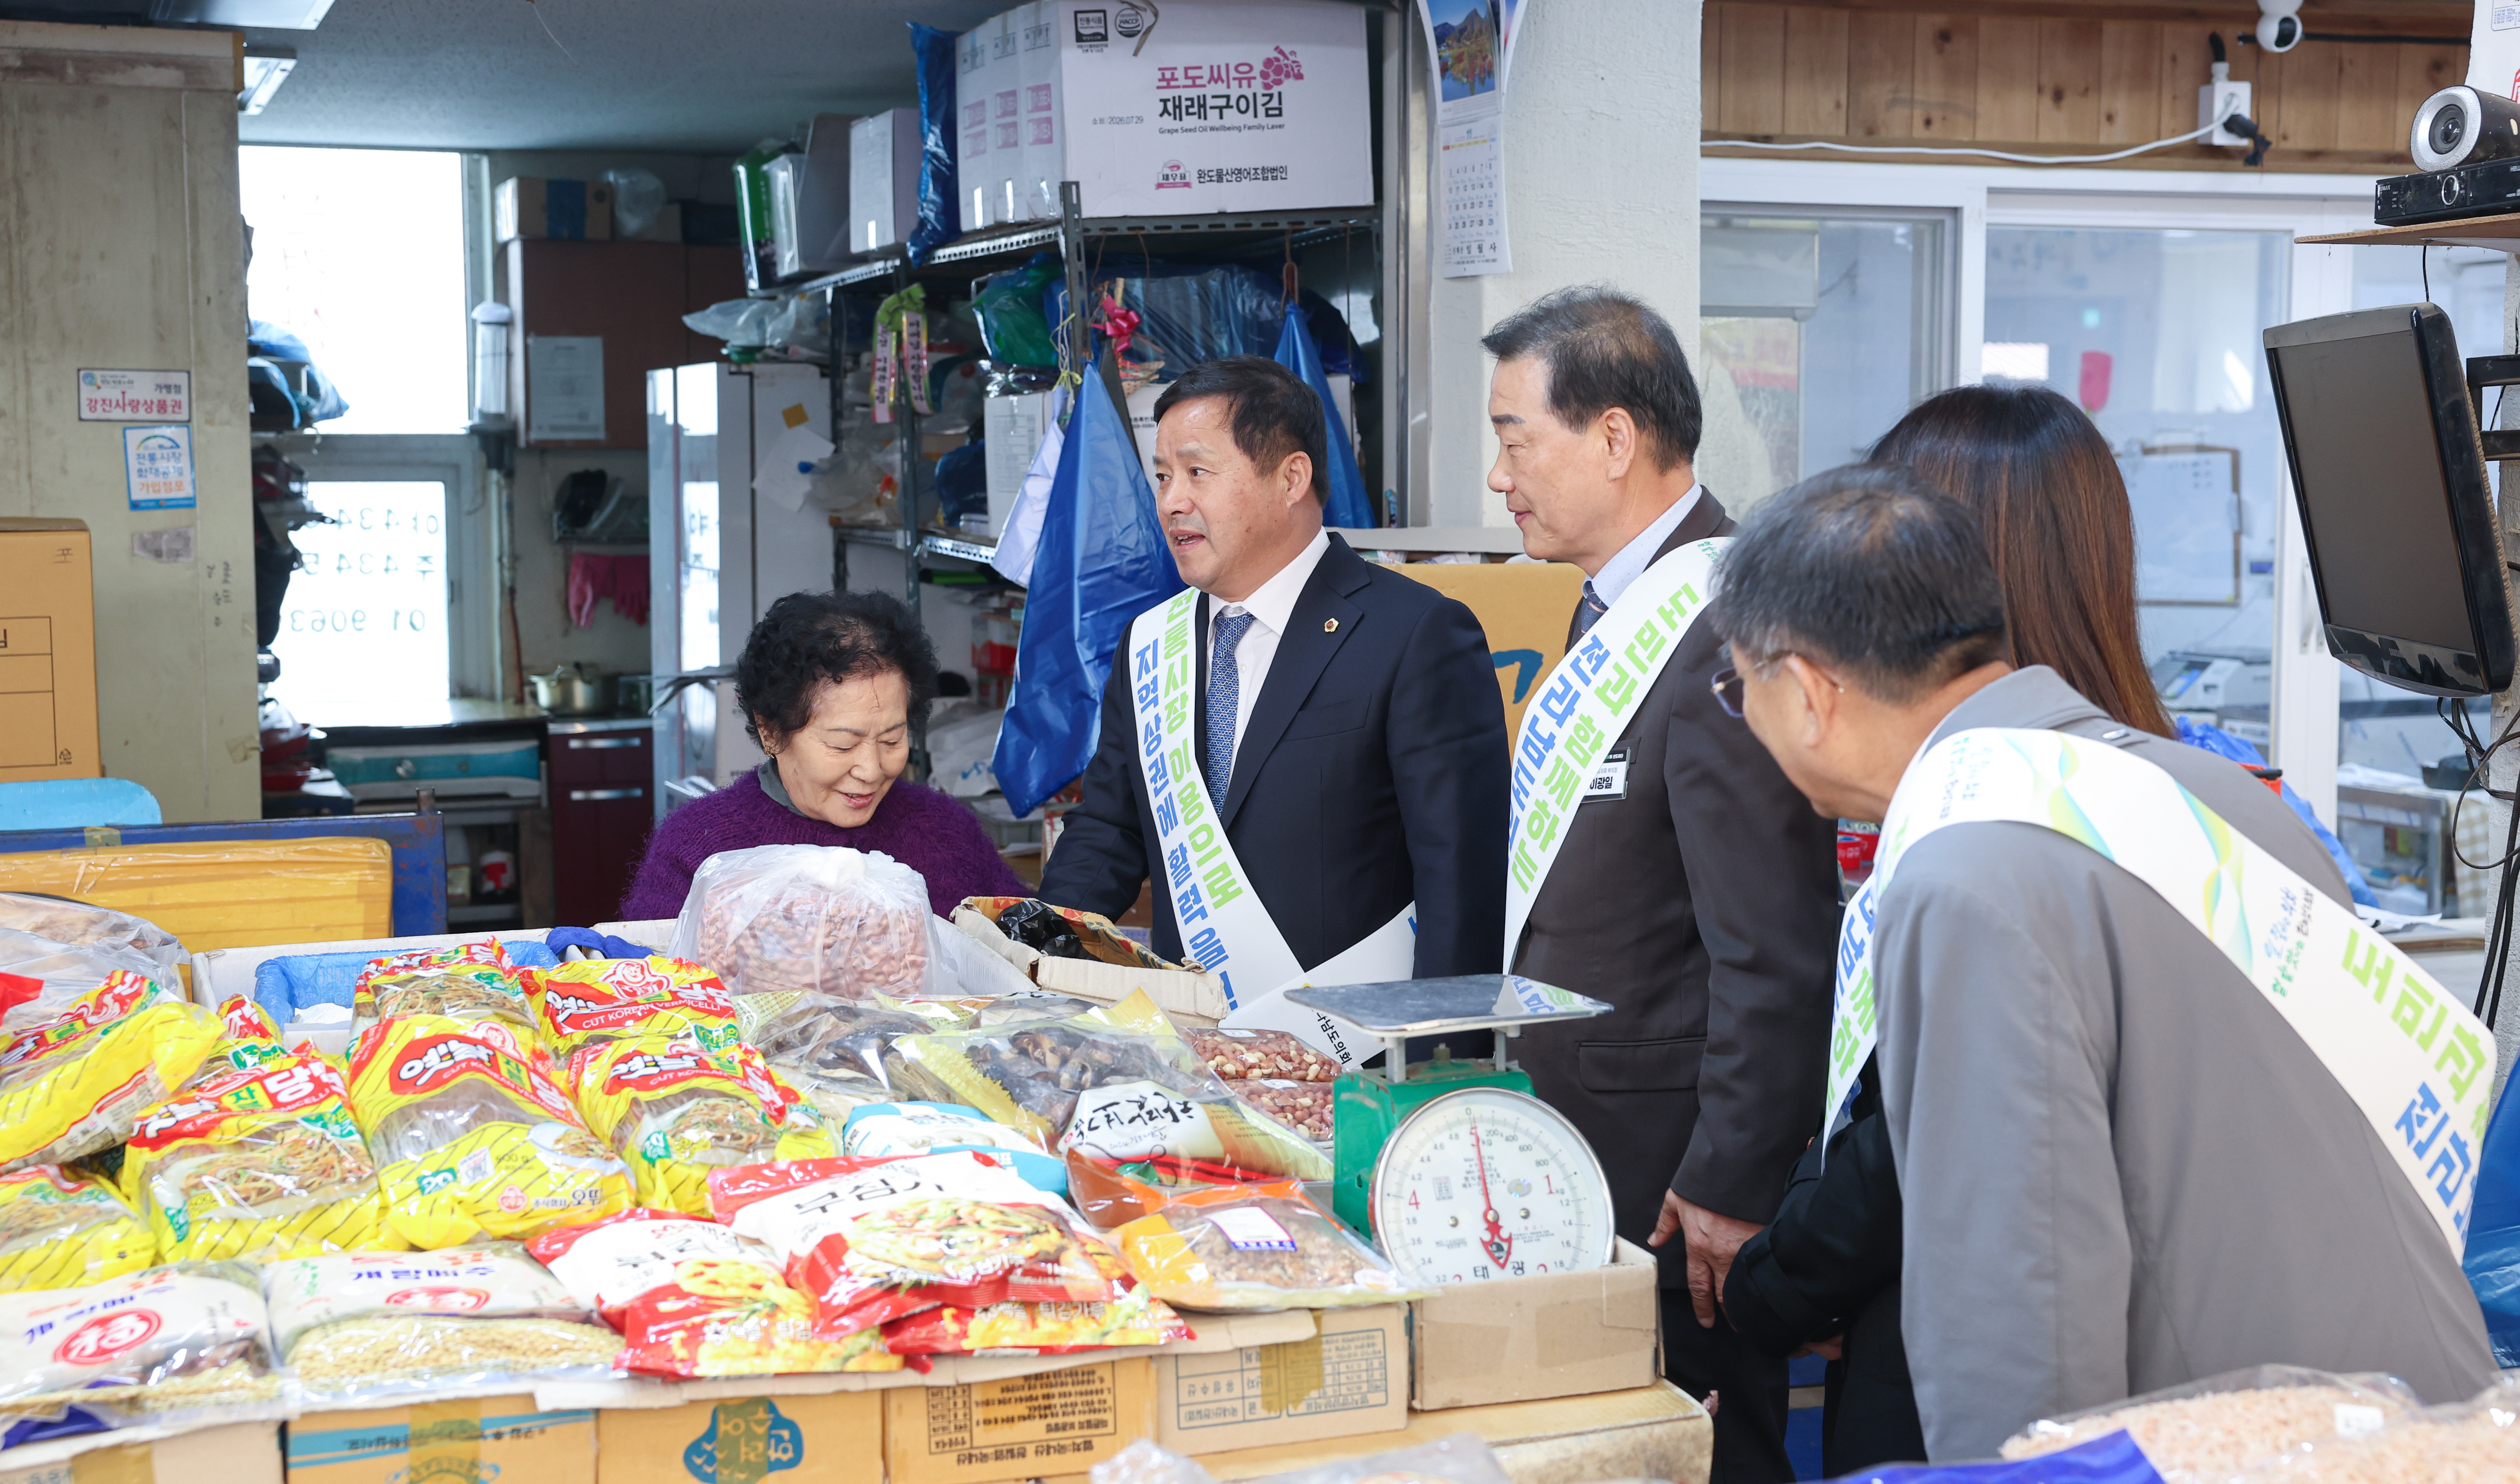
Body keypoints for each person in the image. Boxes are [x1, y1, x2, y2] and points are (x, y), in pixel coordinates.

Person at [1713, 464, 2497, 1462]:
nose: (1743, 715)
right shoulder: (2210, 787)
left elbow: (2018, 1310)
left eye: (1739, 686)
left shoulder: (1963, 880)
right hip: (2434, 1423)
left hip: (2243, 1451)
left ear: (1807, 691)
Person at [1483, 285, 1839, 1484]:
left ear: (1614, 438)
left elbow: (1774, 944)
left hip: (1677, 1183)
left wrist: (1731, 1177)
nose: (1499, 477)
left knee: (1700, 1454)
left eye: (1516, 438)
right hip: (1583, 1149)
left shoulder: (1725, 621)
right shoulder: (1614, 608)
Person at [1040, 356, 1508, 1009]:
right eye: (1163, 476)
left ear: (1291, 477)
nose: (1172, 501)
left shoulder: (1413, 633)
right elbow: (1108, 830)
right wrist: (1035, 952)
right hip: (1197, 1040)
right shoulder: (1150, 640)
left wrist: (1441, 1050)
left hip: (1354, 1044)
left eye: (1198, 472)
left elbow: (1460, 876)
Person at [620, 589, 1027, 920]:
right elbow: (652, 978)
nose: (871, 770)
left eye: (891, 740)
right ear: (770, 731)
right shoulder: (699, 848)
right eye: (842, 745)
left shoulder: (947, 833)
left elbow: (1024, 949)